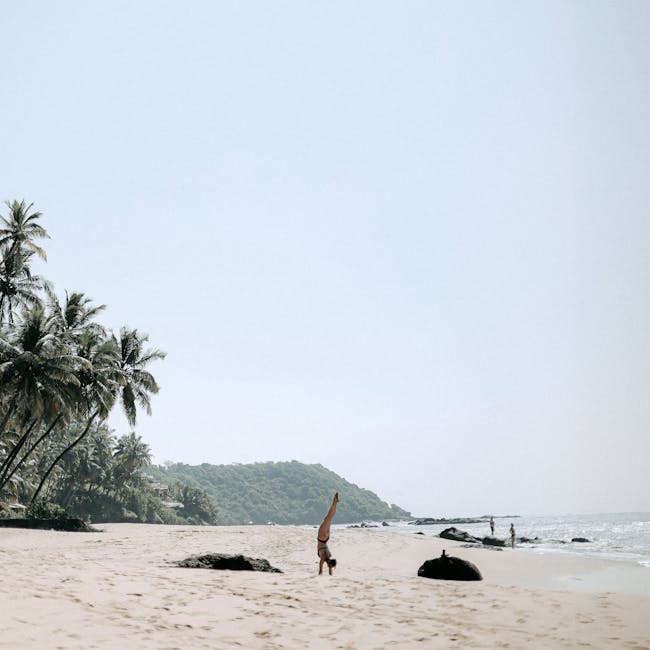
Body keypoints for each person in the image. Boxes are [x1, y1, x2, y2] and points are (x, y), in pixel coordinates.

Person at [317, 492, 339, 575]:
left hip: (326, 538)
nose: (330, 568)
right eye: (330, 567)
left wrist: (329, 571)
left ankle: (335, 503)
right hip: (322, 538)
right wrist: (320, 572)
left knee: (329, 518)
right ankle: (334, 502)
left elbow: (328, 568)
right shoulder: (324, 557)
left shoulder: (329, 556)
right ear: (329, 564)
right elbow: (321, 564)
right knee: (328, 518)